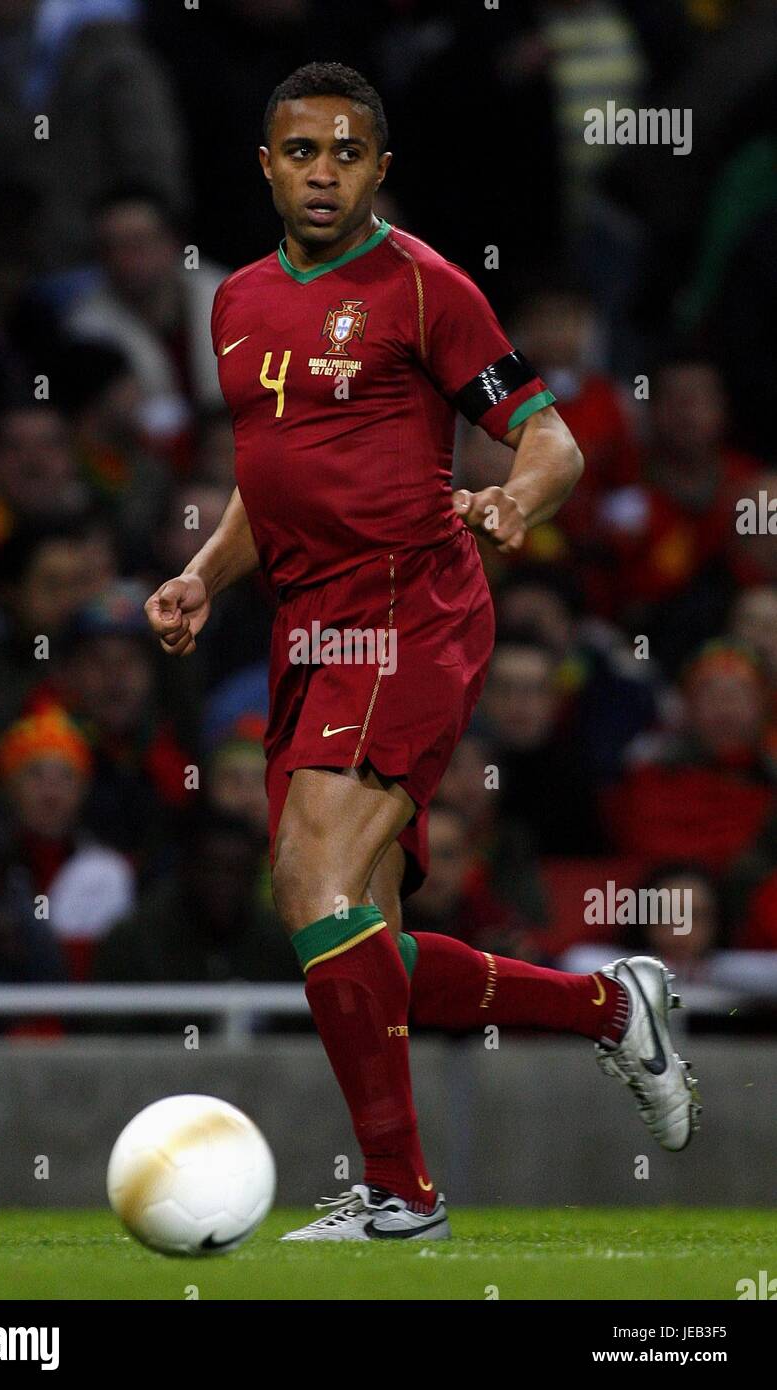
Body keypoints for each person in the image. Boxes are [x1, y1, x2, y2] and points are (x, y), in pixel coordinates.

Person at [144, 62, 699, 1241]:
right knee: (368, 940)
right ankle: (611, 1008)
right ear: (266, 165)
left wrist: (516, 504)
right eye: (302, 152)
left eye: (347, 153)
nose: (324, 173)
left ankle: (401, 1195)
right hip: (306, 626)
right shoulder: (236, 301)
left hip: (406, 612)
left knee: (309, 882)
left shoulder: (424, 286)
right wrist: (203, 572)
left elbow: (548, 438)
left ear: (378, 168)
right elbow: (272, 474)